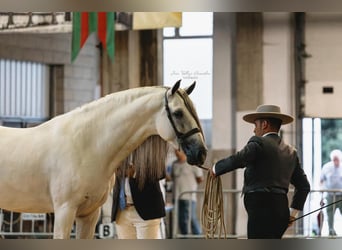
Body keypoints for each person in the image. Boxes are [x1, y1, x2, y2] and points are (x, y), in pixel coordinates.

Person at [210, 104, 311, 239]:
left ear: (264, 124)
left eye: (255, 125)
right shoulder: (291, 152)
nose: (254, 130)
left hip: (260, 209)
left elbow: (239, 159)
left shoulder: (258, 143)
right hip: (282, 209)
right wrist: (292, 213)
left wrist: (216, 168)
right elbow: (304, 186)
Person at [111, 135, 169, 239]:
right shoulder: (117, 147)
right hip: (122, 211)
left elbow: (161, 172)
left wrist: (136, 172)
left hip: (147, 211)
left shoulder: (150, 143)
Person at [171, 149, 204, 236]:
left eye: (178, 150)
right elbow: (172, 177)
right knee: (181, 220)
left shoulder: (193, 163)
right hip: (177, 197)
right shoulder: (174, 164)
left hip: (189, 197)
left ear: (184, 151)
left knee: (191, 218)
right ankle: (184, 239)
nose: (176, 152)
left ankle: (199, 237)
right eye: (175, 151)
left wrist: (190, 186)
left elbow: (200, 179)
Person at [320, 149, 342, 236]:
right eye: (334, 159)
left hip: (341, 195)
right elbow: (321, 180)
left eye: (338, 159)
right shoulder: (326, 167)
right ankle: (331, 231)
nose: (336, 161)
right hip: (330, 195)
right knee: (330, 214)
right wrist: (321, 194)